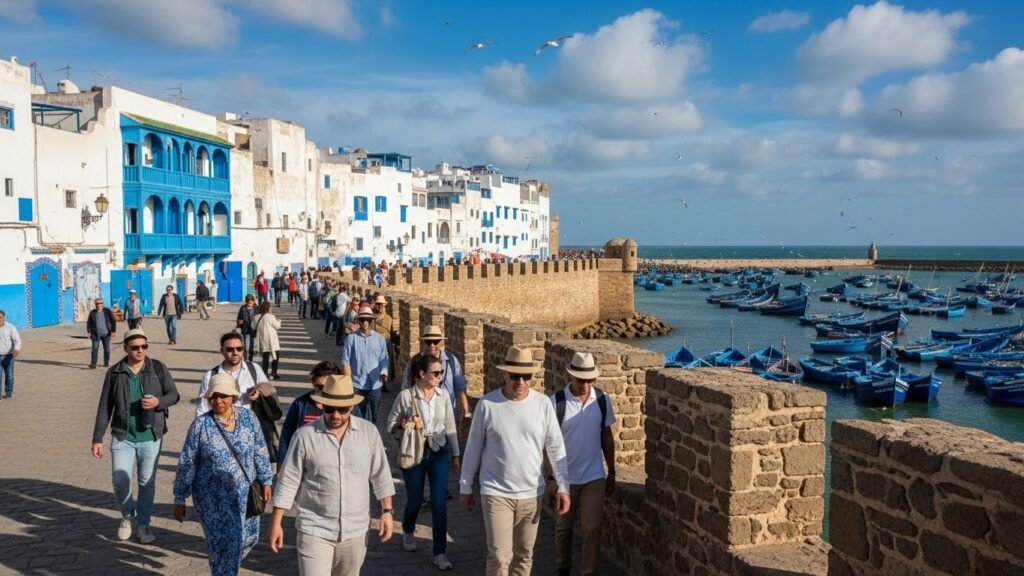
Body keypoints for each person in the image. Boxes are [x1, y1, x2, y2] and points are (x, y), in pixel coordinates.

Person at [459, 346, 570, 576]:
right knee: (499, 557)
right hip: (495, 492)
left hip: (532, 493)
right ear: (505, 375)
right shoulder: (488, 405)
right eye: (515, 376)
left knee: (524, 557)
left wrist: (564, 487)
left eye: (526, 376)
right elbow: (473, 448)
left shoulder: (542, 404)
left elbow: (556, 447)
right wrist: (465, 486)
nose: (521, 382)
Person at [268, 374, 396, 575]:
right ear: (321, 406)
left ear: (352, 407)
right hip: (314, 528)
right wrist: (276, 523)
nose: (336, 415)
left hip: (356, 529)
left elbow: (381, 474)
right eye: (330, 409)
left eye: (342, 409)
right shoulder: (305, 436)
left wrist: (387, 511)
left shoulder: (368, 433)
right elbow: (288, 481)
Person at [173, 373, 273, 576]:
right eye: (214, 396)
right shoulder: (201, 425)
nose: (218, 400)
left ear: (233, 397)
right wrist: (179, 497)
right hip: (212, 499)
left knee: (247, 539)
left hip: (246, 495)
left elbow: (260, 450)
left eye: (223, 396)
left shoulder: (248, 418)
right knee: (223, 545)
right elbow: (187, 461)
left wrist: (266, 480)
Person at [91, 328, 180, 544]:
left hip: (151, 436)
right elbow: (105, 405)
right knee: (120, 480)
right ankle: (127, 516)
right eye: (135, 347)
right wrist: (97, 438)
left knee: (146, 483)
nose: (140, 351)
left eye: (144, 346)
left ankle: (143, 524)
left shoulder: (157, 368)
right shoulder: (115, 372)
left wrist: (159, 402)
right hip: (123, 436)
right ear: (125, 349)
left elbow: (174, 395)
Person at [387, 354, 460, 571]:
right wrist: (405, 423)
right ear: (422, 374)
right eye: (436, 373)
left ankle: (440, 552)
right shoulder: (406, 396)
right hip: (415, 453)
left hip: (438, 451)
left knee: (439, 502)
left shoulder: (443, 395)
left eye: (441, 373)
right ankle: (408, 529)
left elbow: (450, 426)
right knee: (415, 500)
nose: (440, 376)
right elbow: (389, 425)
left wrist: (455, 455)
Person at [547, 353, 617, 576]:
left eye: (590, 380)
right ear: (570, 376)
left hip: (593, 476)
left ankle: (589, 572)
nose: (585, 385)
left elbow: (607, 436)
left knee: (592, 528)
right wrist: (550, 478)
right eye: (581, 380)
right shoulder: (556, 402)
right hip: (564, 478)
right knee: (564, 529)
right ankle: (563, 567)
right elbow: (546, 444)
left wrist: (612, 471)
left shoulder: (602, 400)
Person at [278, 360, 342, 466]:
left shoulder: (346, 407)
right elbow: (287, 433)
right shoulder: (300, 404)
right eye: (320, 387)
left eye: (328, 387)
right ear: (313, 382)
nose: (323, 391)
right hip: (304, 464)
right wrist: (282, 462)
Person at [402, 326, 470, 423]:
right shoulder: (415, 362)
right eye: (428, 342)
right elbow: (406, 387)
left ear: (441, 342)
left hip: (447, 414)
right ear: (424, 343)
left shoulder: (451, 360)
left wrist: (465, 408)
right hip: (422, 415)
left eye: (436, 341)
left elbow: (460, 387)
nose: (432, 345)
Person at [196, 332, 269, 418]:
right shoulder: (211, 376)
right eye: (230, 349)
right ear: (222, 351)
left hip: (250, 425)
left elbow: (269, 392)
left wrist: (259, 392)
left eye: (239, 348)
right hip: (221, 426)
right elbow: (203, 407)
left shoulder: (254, 369)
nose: (235, 352)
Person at [341, 306, 389, 423]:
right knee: (358, 417)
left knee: (374, 415)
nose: (365, 322)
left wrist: (384, 371)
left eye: (368, 319)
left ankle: (371, 436)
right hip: (357, 384)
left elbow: (384, 359)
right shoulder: (351, 339)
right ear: (358, 320)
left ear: (372, 320)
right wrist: (348, 383)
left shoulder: (379, 339)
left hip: (375, 383)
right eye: (362, 320)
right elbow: (346, 361)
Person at [372, 295, 398, 385]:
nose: (379, 306)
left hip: (386, 344)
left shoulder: (388, 318)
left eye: (381, 305)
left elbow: (391, 332)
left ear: (384, 306)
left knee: (386, 362)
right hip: (375, 344)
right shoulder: (372, 318)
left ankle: (384, 382)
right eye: (378, 304)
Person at [254, 300, 282, 380]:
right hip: (272, 340)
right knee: (275, 357)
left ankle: (264, 373)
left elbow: (253, 327)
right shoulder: (271, 317)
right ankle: (274, 372)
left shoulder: (256, 317)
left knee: (265, 358)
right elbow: (277, 326)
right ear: (268, 308)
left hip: (262, 339)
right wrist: (279, 320)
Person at [87, 297, 117, 369]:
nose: (99, 305)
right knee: (95, 349)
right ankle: (93, 364)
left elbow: (113, 321)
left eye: (101, 303)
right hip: (95, 334)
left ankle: (106, 362)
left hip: (106, 334)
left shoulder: (107, 311)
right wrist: (89, 332)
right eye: (98, 303)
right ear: (95, 304)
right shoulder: (92, 312)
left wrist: (113, 331)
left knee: (106, 349)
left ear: (103, 304)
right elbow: (89, 323)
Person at [0, 310, 22, 400]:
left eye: (0, 317)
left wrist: (16, 349)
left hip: (9, 356)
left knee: (9, 376)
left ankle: (8, 393)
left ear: (4, 317)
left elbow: (17, 339)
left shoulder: (10, 327)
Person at [236, 295, 258, 363]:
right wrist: (239, 323)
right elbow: (239, 317)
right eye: (248, 303)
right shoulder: (243, 308)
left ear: (253, 301)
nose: (249, 304)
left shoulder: (256, 308)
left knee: (252, 347)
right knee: (246, 347)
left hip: (253, 330)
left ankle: (251, 360)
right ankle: (246, 360)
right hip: (245, 330)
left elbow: (258, 319)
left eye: (251, 303)